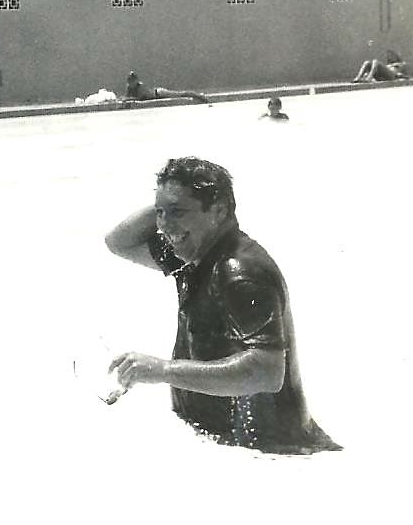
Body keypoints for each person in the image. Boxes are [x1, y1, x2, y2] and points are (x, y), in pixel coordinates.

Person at [103, 157, 340, 454]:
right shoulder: (192, 255)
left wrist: (163, 370)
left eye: (177, 212)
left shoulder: (240, 272)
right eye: (160, 213)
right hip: (236, 446)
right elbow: (119, 242)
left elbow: (267, 372)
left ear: (219, 211)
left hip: (273, 451)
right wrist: (170, 205)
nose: (163, 226)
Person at [123, 70, 209, 104]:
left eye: (133, 81)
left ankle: (199, 95)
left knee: (180, 94)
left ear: (136, 80)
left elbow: (139, 98)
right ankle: (198, 95)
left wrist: (126, 99)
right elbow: (127, 97)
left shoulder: (140, 86)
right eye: (130, 81)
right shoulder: (129, 87)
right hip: (157, 94)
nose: (131, 83)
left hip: (160, 93)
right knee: (180, 94)